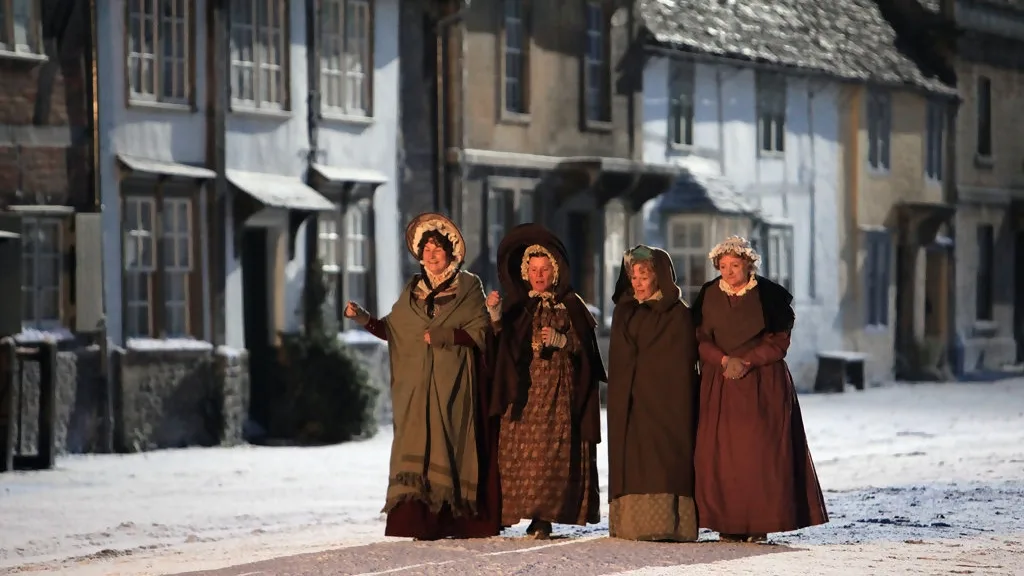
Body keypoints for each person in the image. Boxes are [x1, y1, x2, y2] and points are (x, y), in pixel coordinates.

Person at [343, 212, 501, 540]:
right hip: (417, 388)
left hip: (454, 382)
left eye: (437, 248)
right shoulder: (413, 289)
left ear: (450, 253)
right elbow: (395, 330)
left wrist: (445, 336)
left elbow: (482, 332)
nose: (431, 254)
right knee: (417, 449)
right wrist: (363, 318)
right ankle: (421, 522)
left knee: (450, 445)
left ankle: (456, 521)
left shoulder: (469, 286)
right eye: (426, 248)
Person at [691, 235, 829, 543]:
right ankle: (727, 522)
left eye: (735, 265)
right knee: (720, 455)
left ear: (748, 265)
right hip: (721, 383)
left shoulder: (769, 295)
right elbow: (699, 338)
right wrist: (724, 359)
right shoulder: (709, 294)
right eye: (723, 266)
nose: (728, 272)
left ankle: (758, 523)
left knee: (760, 454)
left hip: (762, 384)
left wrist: (748, 361)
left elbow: (779, 341)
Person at [486, 223, 605, 539]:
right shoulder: (517, 305)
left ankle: (543, 517)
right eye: (534, 270)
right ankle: (510, 510)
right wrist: (496, 316)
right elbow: (500, 345)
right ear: (526, 272)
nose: (539, 276)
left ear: (555, 271)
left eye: (545, 269)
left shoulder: (571, 305)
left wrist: (563, 341)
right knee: (516, 454)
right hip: (521, 392)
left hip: (557, 393)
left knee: (550, 455)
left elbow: (587, 351)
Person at [606, 245, 699, 542]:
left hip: (667, 403)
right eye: (633, 277)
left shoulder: (679, 315)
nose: (637, 283)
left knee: (667, 458)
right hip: (631, 401)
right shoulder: (625, 311)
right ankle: (631, 524)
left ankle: (671, 524)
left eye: (643, 277)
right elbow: (620, 358)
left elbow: (681, 363)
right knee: (633, 458)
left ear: (659, 277)